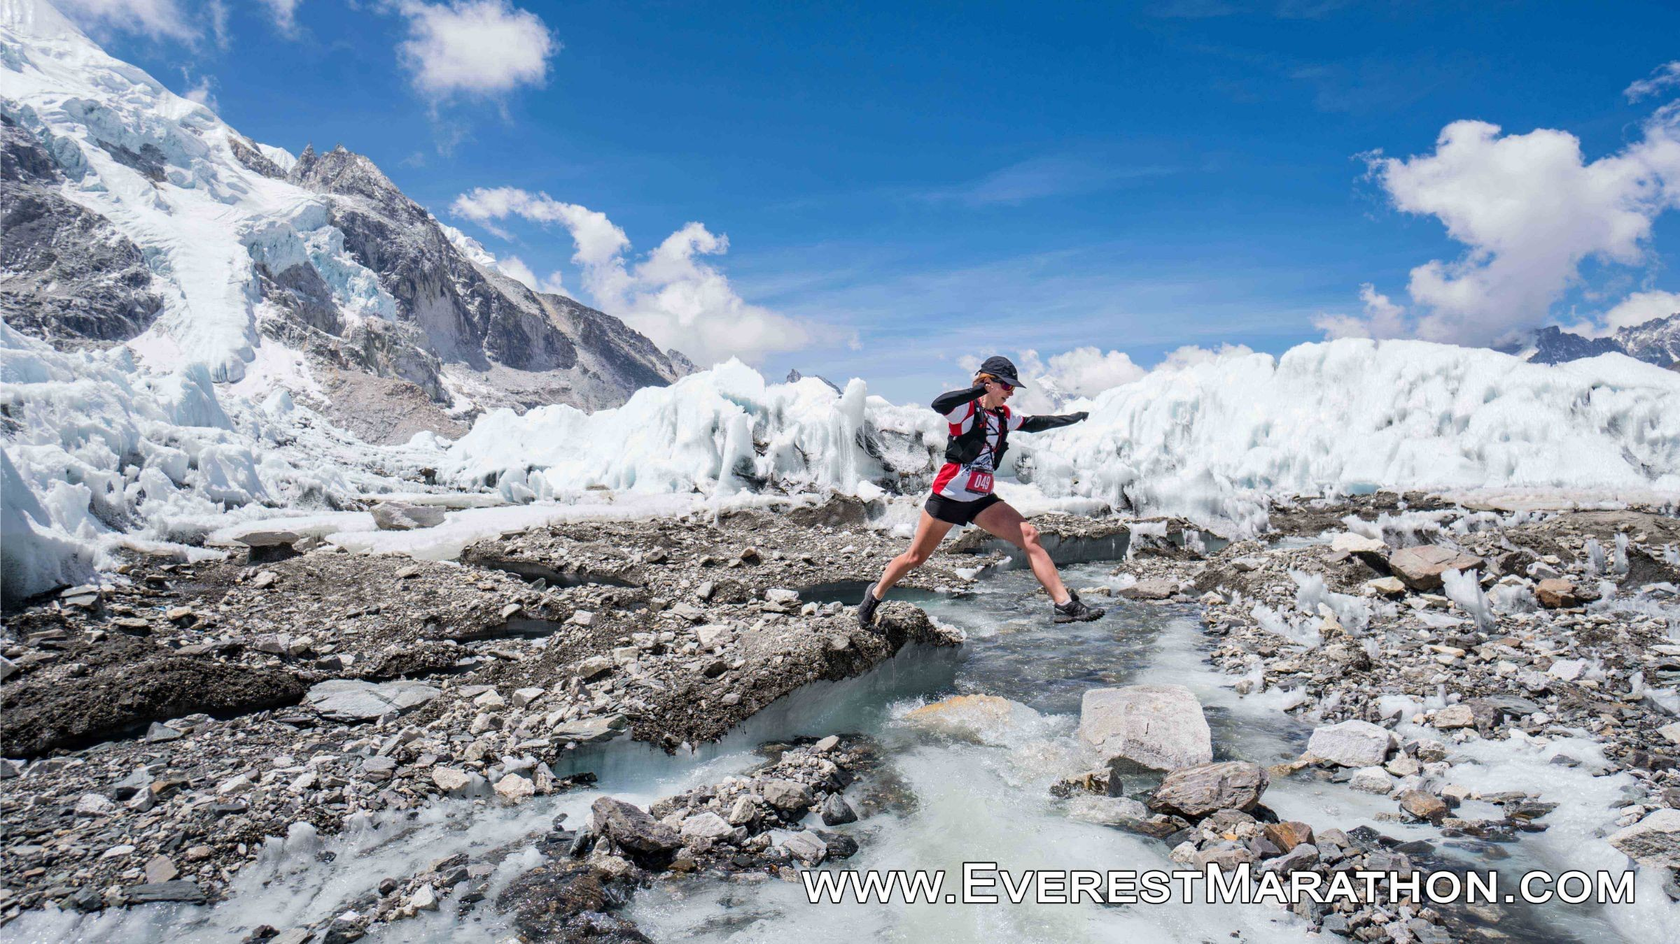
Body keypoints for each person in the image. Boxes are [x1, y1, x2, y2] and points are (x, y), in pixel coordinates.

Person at [858, 355, 1104, 628]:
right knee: (915, 558)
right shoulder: (965, 411)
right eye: (1007, 387)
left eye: (1013, 389)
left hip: (981, 499)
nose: (1011, 393)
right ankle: (875, 595)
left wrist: (1070, 419)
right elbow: (939, 403)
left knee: (1030, 536)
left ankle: (1064, 604)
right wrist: (979, 389)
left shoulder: (1003, 416)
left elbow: (1033, 423)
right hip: (949, 496)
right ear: (990, 382)